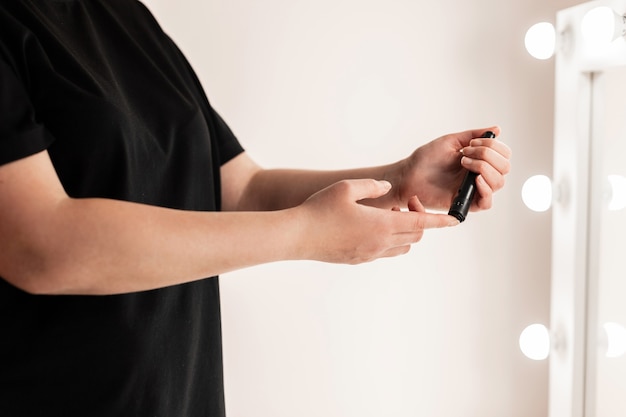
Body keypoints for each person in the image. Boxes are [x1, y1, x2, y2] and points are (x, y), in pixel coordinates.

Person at [0, 1, 511, 417]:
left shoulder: (123, 16)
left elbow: (238, 188)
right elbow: (39, 243)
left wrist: (400, 179)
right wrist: (304, 234)